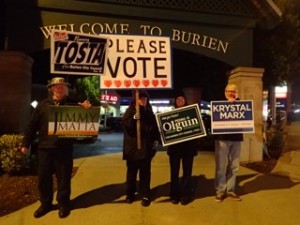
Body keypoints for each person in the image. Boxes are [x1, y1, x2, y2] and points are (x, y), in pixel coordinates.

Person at [21, 77, 92, 218]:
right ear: (52, 88)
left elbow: (88, 117)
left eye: (62, 86)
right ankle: (45, 204)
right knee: (43, 179)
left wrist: (87, 108)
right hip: (44, 149)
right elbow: (31, 125)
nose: (59, 88)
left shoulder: (73, 105)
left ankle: (64, 204)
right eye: (56, 86)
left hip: (64, 150)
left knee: (64, 179)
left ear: (65, 89)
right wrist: (25, 143)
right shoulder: (42, 105)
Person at [122, 90, 160, 207]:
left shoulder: (149, 112)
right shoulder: (131, 110)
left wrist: (156, 140)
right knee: (131, 174)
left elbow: (154, 128)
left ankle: (145, 194)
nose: (143, 100)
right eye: (141, 98)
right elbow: (126, 125)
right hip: (133, 149)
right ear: (136, 99)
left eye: (145, 99)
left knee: (145, 174)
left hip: (145, 149)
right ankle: (130, 193)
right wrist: (133, 119)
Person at [167, 93, 198, 205]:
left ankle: (185, 194)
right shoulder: (169, 115)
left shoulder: (191, 113)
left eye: (182, 98)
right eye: (178, 98)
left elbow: (196, 129)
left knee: (187, 172)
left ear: (185, 100)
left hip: (188, 149)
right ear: (175, 101)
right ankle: (174, 194)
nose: (180, 100)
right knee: (174, 173)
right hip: (174, 149)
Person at [214, 83, 243, 202]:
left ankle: (230, 190)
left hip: (236, 139)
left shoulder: (242, 105)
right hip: (222, 139)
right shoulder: (218, 104)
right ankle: (220, 191)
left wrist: (237, 102)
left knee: (234, 166)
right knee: (221, 166)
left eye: (233, 91)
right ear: (225, 92)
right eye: (229, 91)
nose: (231, 93)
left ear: (236, 93)